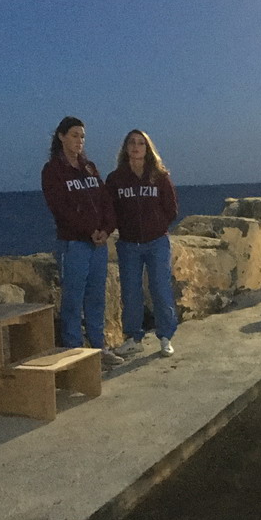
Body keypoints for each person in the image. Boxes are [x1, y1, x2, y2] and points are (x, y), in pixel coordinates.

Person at [41, 116, 121, 366]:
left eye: (82, 136)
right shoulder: (53, 170)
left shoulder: (89, 168)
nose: (79, 141)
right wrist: (89, 230)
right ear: (61, 137)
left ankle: (99, 348)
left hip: (98, 245)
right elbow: (60, 208)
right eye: (74, 135)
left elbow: (105, 201)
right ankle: (75, 353)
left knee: (96, 297)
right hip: (74, 244)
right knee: (73, 300)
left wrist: (106, 229)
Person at [106, 130, 180, 358]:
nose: (136, 147)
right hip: (128, 244)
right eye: (132, 142)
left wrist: (155, 226)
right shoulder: (116, 179)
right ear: (126, 148)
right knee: (130, 292)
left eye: (141, 143)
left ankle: (165, 336)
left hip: (157, 242)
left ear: (148, 149)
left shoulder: (159, 176)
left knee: (160, 288)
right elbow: (110, 210)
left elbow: (171, 209)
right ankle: (133, 338)